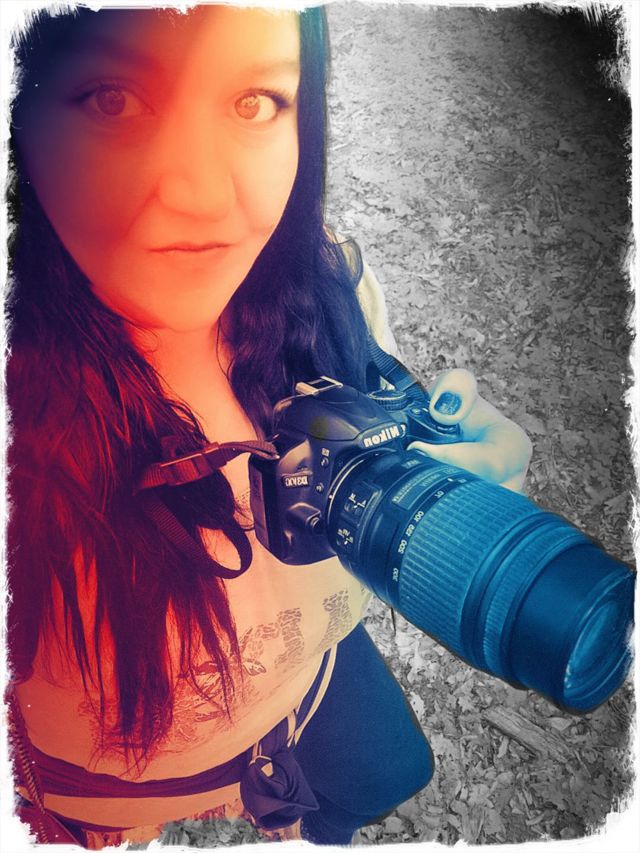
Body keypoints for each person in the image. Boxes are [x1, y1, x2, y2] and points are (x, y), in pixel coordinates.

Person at [5, 4, 531, 848]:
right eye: (113, 99)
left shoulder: (323, 282)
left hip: (304, 681)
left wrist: (443, 476)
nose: (203, 196)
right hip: (107, 790)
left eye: (254, 102)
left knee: (392, 774)